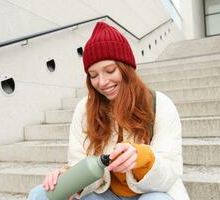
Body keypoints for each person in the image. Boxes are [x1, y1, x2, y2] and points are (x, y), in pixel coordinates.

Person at [28, 22, 189, 200]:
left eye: (110, 70)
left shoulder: (160, 104)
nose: (102, 82)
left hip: (150, 191)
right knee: (39, 194)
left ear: (126, 68)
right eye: (94, 75)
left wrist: (143, 158)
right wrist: (70, 179)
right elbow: (79, 161)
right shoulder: (84, 109)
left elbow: (169, 171)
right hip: (103, 193)